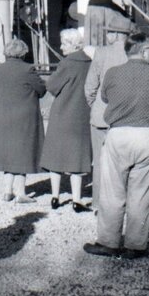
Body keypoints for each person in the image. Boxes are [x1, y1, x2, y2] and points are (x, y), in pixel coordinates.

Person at [84, 33, 149, 259]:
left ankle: (109, 242)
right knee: (142, 192)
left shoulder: (113, 73)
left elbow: (105, 97)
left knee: (112, 191)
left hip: (118, 133)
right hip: (148, 135)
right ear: (142, 50)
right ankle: (135, 245)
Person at [41, 28, 93, 212]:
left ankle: (55, 197)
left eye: (63, 43)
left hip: (62, 114)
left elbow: (52, 86)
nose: (61, 46)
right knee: (77, 159)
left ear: (72, 45)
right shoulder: (90, 62)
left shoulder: (67, 63)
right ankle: (77, 199)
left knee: (56, 156)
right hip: (82, 114)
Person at [0, 38, 46, 203]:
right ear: (23, 53)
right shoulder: (28, 69)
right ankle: (21, 193)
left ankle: (7, 191)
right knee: (23, 151)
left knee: (8, 151)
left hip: (4, 115)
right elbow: (41, 90)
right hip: (24, 116)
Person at [83, 16, 132, 200]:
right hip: (126, 117)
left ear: (117, 34)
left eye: (109, 32)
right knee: (123, 162)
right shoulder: (133, 54)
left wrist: (96, 105)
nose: (108, 35)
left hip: (101, 116)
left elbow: (90, 87)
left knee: (100, 162)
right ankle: (121, 201)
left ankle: (98, 202)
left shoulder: (101, 53)